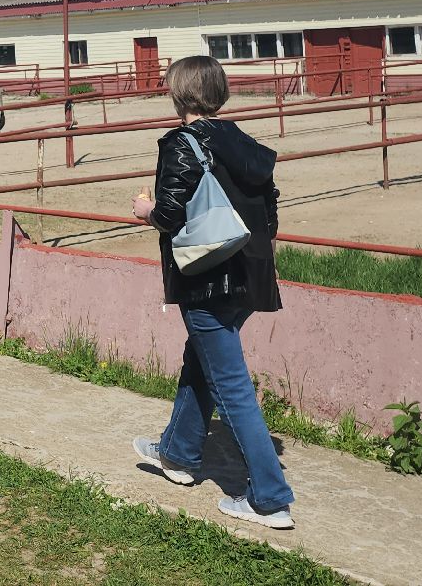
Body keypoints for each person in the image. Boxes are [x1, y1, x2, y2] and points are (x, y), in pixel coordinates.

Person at [130, 55, 294, 530]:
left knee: (232, 388)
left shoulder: (181, 144)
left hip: (207, 280)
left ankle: (270, 497)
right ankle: (178, 454)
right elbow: (270, 211)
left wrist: (145, 210)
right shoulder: (244, 143)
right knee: (201, 362)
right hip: (249, 274)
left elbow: (170, 214)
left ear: (178, 95)